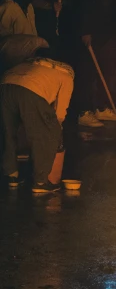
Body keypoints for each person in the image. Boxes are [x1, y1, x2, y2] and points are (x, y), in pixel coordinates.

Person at [0, 54, 74, 191]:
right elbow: (60, 112)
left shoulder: (36, 65)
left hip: (4, 85)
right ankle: (41, 182)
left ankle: (11, 175)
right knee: (46, 134)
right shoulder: (66, 77)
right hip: (31, 89)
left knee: (8, 132)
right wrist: (57, 131)